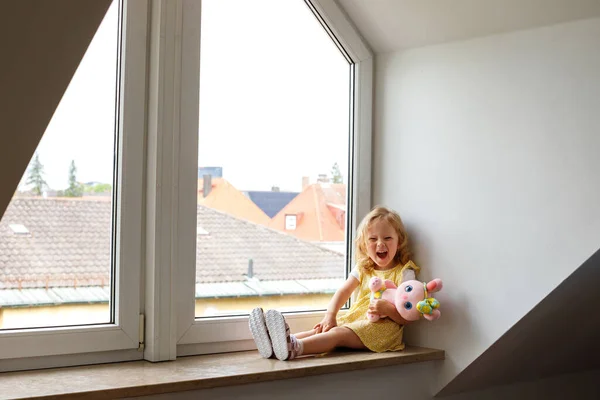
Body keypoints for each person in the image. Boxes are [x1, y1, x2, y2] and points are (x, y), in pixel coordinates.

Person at [248, 205, 420, 361]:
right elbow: (343, 292)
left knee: (337, 333)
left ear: (399, 242)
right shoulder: (364, 267)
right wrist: (329, 316)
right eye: (373, 239)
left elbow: (409, 318)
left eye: (387, 238)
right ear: (364, 244)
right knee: (323, 330)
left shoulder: (404, 272)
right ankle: (276, 344)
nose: (380, 244)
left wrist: (388, 309)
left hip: (382, 332)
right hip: (357, 321)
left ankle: (295, 348)